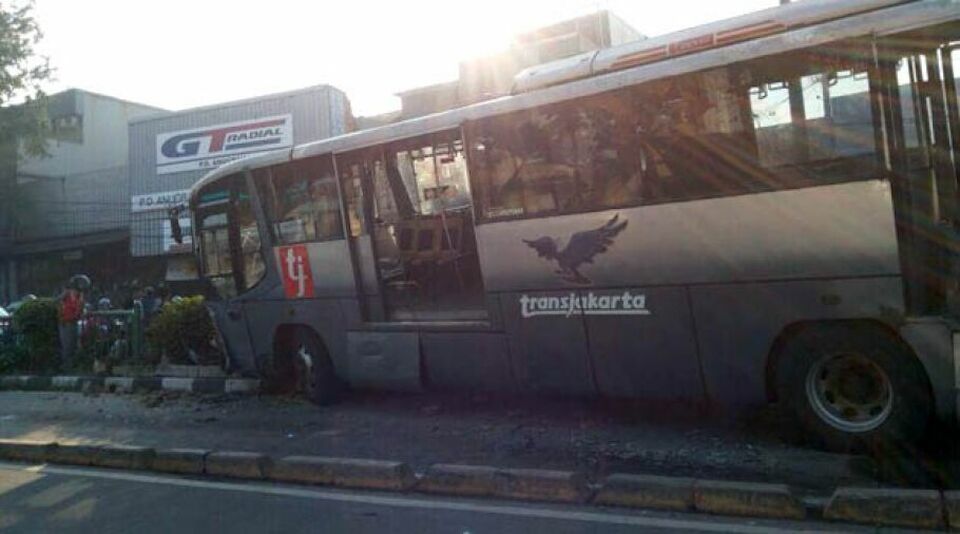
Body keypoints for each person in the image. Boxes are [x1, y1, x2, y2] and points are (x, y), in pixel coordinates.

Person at [58, 274, 90, 369]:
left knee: (74, 345)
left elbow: (80, 310)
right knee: (67, 346)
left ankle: (72, 366)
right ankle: (65, 366)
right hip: (65, 322)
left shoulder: (80, 297)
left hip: (74, 322)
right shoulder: (66, 295)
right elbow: (58, 303)